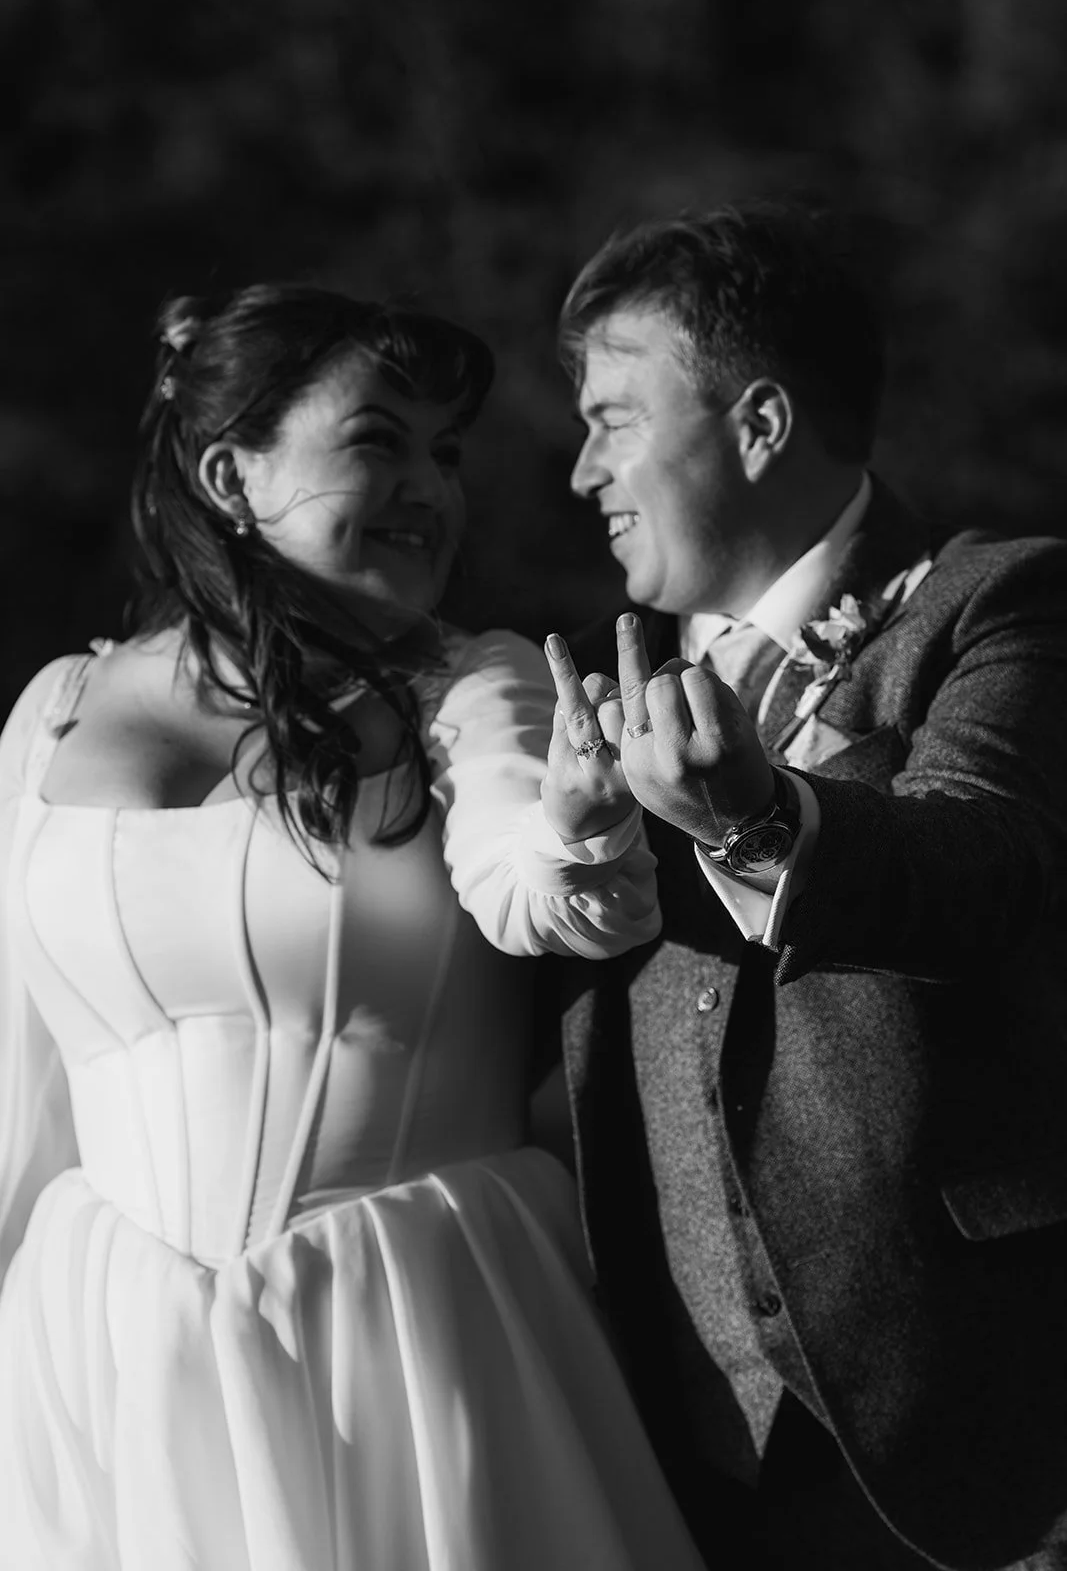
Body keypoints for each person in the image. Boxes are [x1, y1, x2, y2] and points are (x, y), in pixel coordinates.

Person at [0, 284, 709, 1571]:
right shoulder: (51, 712)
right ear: (230, 473)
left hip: (404, 1330)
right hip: (99, 1363)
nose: (430, 489)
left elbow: (546, 890)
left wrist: (585, 821)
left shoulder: (469, 680)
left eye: (446, 452)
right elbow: (15, 1087)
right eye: (378, 440)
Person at [545, 202, 1067, 1571]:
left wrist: (765, 818)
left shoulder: (999, 607)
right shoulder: (598, 705)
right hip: (694, 1459)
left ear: (758, 424)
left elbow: (982, 864)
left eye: (612, 417)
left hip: (978, 1445)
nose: (579, 471)